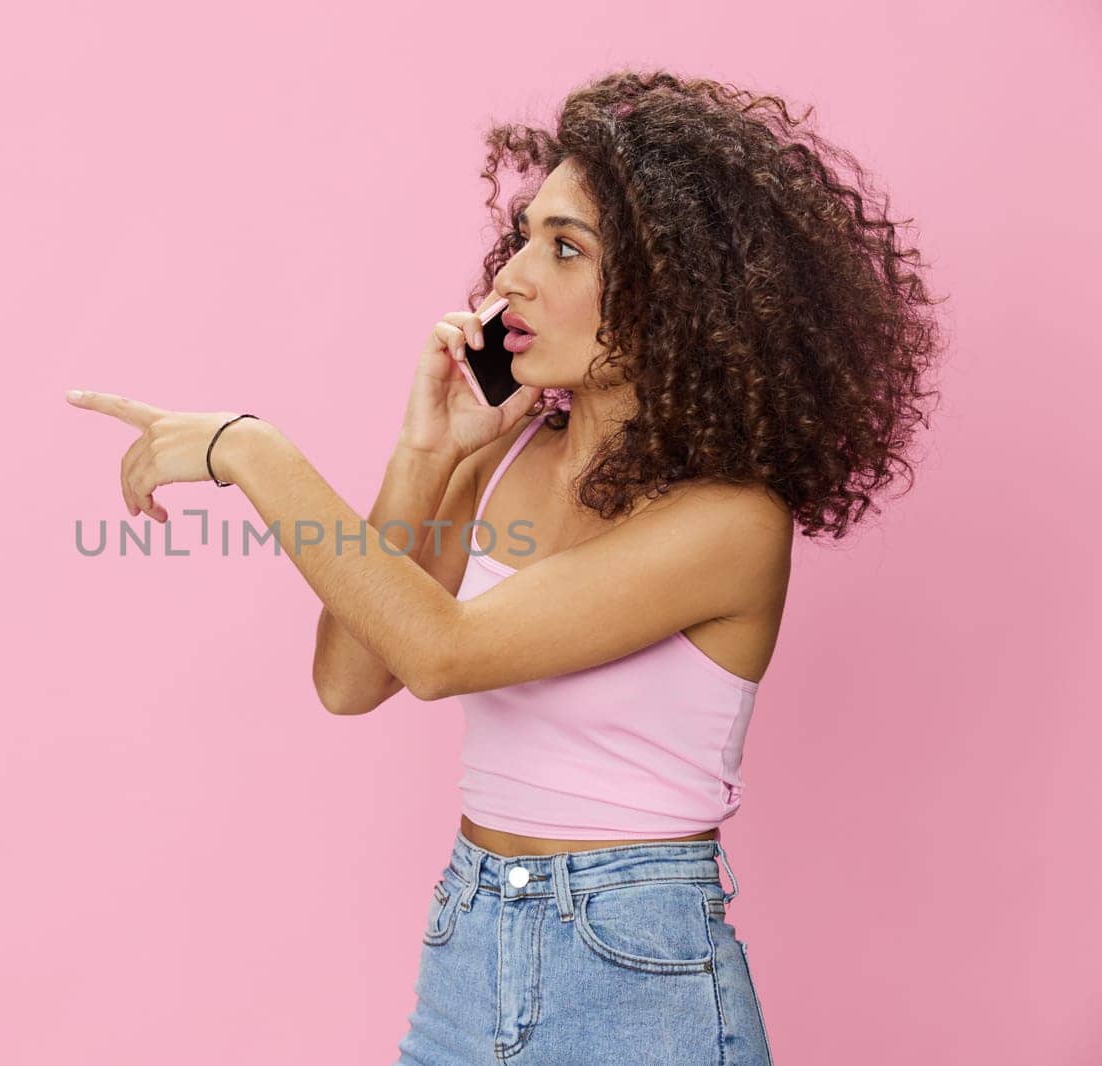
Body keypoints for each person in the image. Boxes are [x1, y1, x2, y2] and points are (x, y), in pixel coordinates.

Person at [66, 69, 943, 1065]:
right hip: (468, 943)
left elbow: (442, 652)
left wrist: (252, 451)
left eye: (565, 247)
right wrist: (426, 456)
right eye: (524, 234)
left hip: (636, 975)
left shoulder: (728, 522)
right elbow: (353, 678)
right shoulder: (506, 453)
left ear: (678, 295)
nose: (512, 275)